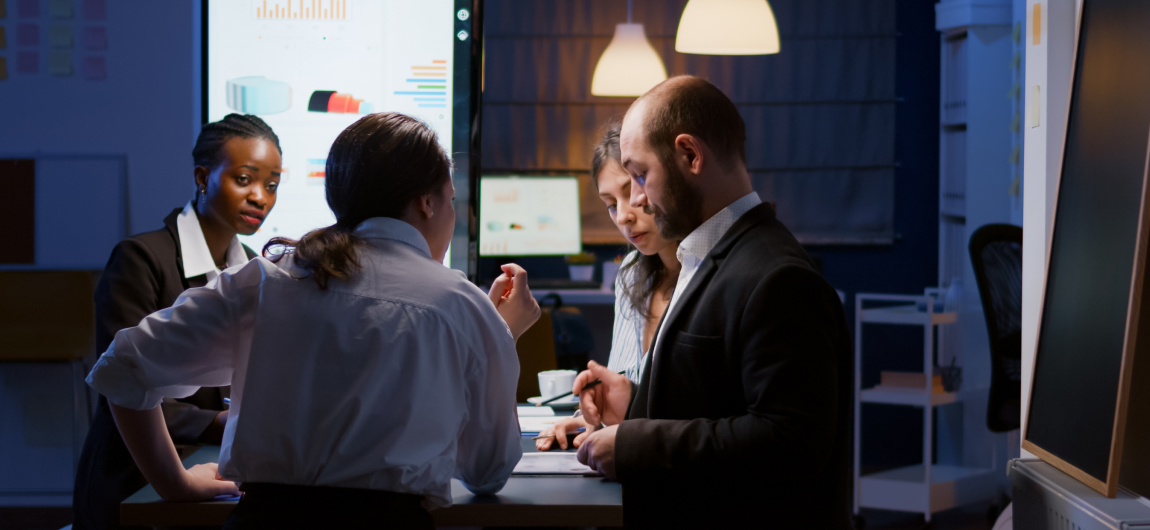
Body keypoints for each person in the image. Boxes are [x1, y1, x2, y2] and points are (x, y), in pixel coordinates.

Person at [85, 112, 542, 529]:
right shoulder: (462, 303)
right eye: (451, 199)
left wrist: (175, 484)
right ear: (427, 202)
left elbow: (123, 367)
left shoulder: (264, 279)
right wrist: (501, 335)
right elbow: (487, 471)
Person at [572, 76, 854, 529]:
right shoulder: (703, 256)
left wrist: (636, 442)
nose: (637, 198)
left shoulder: (778, 277)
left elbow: (791, 441)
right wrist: (641, 403)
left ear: (690, 155)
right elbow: (720, 397)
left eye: (641, 175)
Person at [73, 114, 282, 530]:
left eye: (272, 185)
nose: (260, 196)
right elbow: (117, 380)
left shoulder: (259, 268)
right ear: (203, 178)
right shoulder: (140, 258)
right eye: (244, 179)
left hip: (218, 466)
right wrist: (221, 421)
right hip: (136, 473)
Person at [537, 122, 681, 452]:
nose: (623, 217)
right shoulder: (631, 272)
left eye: (630, 193)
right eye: (611, 204)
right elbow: (622, 385)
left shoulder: (706, 276)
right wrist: (591, 418)